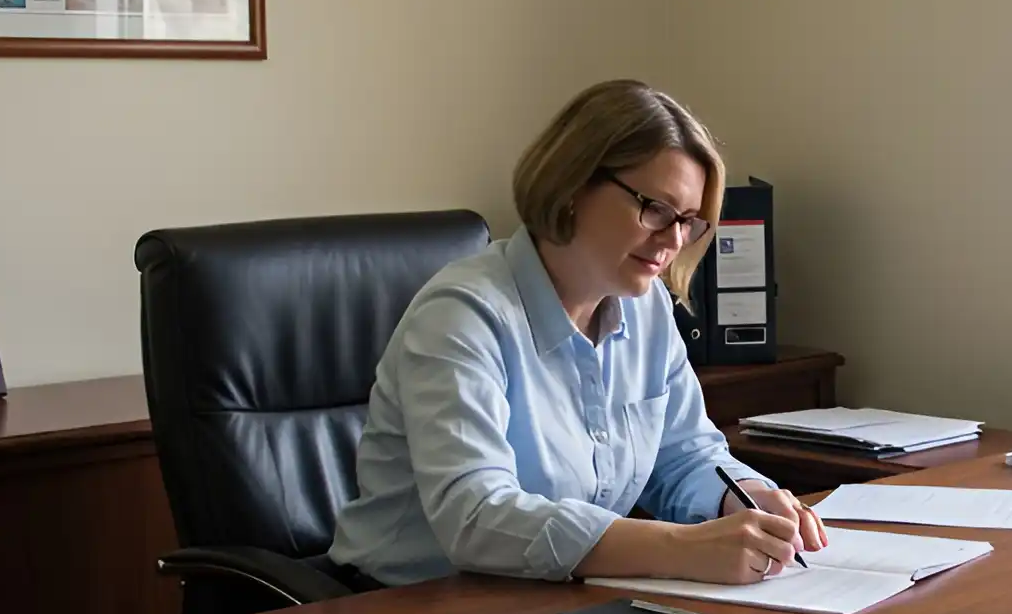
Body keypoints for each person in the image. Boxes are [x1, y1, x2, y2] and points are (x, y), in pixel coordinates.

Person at [329, 79, 827, 588]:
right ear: (572, 186)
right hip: (406, 610)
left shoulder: (648, 306)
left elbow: (684, 454)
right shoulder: (462, 317)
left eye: (688, 221)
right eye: (656, 209)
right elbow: (475, 516)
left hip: (546, 597)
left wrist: (745, 494)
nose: (674, 240)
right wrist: (678, 548)